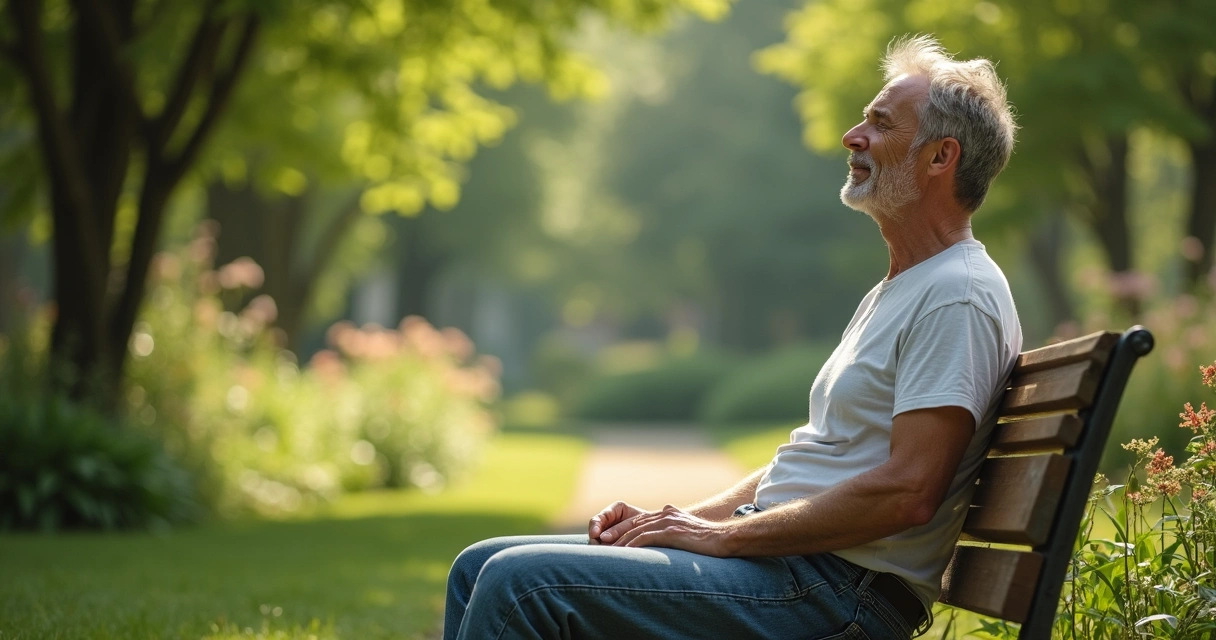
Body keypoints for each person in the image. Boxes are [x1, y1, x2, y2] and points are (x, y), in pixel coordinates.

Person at [444, 34, 1023, 640]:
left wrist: (721, 536)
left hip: (838, 596)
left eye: (879, 123)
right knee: (477, 567)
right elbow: (809, 463)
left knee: (520, 584)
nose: (853, 137)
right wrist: (675, 522)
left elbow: (907, 492)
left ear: (940, 158)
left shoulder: (957, 293)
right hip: (800, 574)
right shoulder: (905, 288)